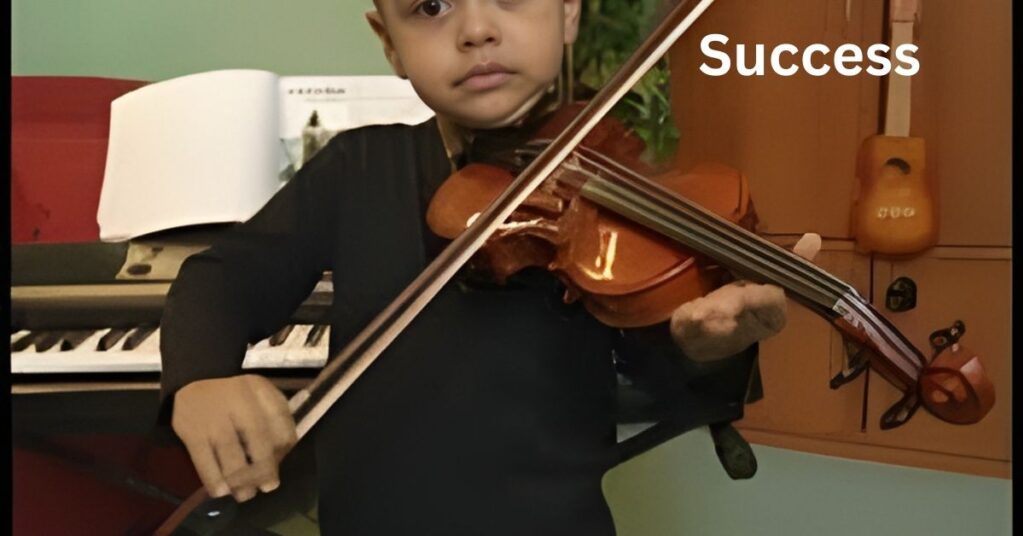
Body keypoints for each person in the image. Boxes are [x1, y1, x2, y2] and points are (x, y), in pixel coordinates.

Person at [160, 1, 819, 534]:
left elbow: (663, 376)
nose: (476, 29)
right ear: (389, 43)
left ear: (567, 14)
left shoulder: (604, 191)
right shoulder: (355, 170)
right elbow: (222, 278)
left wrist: (706, 347)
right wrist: (201, 378)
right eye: (431, 6)